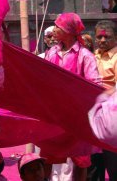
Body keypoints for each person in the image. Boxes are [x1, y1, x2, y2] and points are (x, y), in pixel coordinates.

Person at [45, 12, 100, 181]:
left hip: (77, 116)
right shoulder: (52, 52)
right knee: (49, 155)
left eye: (58, 26)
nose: (54, 30)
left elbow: (95, 85)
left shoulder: (85, 56)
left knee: (80, 159)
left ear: (68, 30)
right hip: (54, 114)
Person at [92, 20, 117, 181]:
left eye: (106, 37)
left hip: (112, 119)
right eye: (99, 37)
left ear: (116, 38)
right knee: (94, 165)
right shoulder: (92, 56)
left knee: (114, 164)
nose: (102, 40)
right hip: (93, 117)